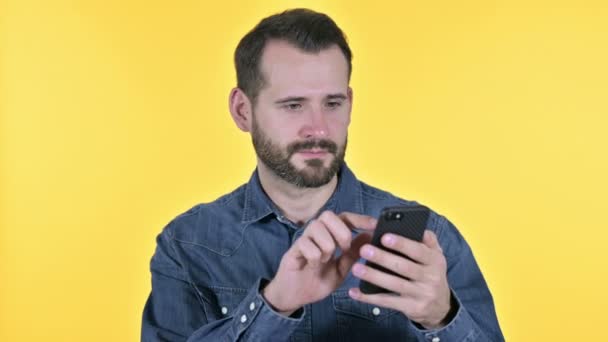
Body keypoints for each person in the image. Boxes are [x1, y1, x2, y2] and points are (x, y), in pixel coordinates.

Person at [141, 8, 504, 342]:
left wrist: (443, 317)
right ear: (242, 111)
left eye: (332, 104)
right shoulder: (186, 245)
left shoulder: (428, 239)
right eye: (293, 105)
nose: (317, 129)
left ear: (349, 103)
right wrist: (274, 304)